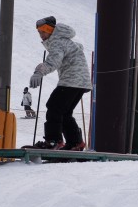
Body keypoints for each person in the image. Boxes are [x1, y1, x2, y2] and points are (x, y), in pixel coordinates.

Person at [28, 16, 91, 150]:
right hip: (81, 82)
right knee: (64, 112)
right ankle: (75, 142)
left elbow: (53, 62)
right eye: (39, 31)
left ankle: (53, 141)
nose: (42, 33)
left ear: (52, 30)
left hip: (71, 80)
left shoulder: (57, 42)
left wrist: (39, 72)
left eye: (45, 30)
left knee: (54, 108)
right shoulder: (65, 41)